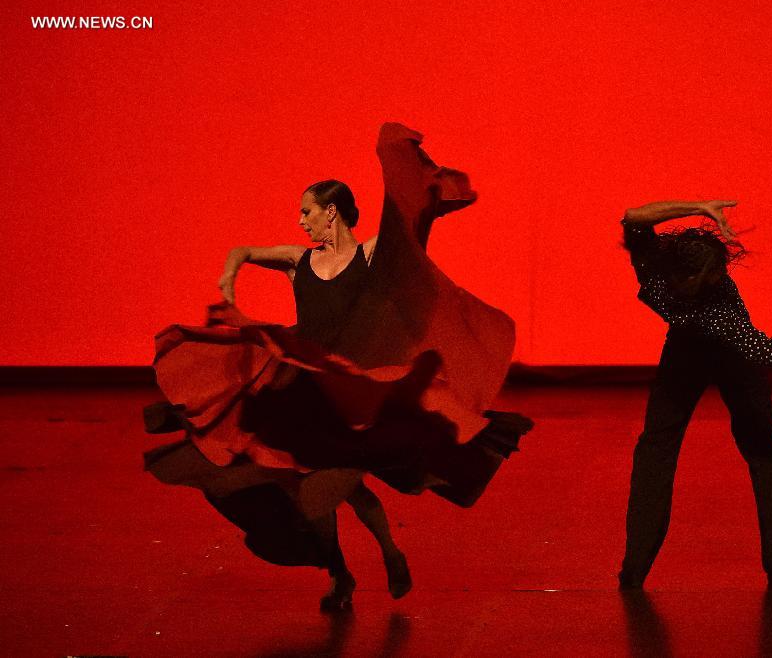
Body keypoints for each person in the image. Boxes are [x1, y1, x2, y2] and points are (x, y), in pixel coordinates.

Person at [143, 124, 533, 611]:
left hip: (349, 389)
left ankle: (385, 553)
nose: (300, 222)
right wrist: (228, 276)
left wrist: (415, 184)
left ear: (330, 212)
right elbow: (243, 250)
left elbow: (404, 241)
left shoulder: (368, 254)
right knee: (314, 485)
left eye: (306, 212)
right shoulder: (298, 261)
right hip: (306, 386)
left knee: (344, 481)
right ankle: (343, 574)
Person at [618, 200, 772, 590]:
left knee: (761, 447)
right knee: (656, 447)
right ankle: (633, 570)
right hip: (687, 346)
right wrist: (697, 206)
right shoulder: (661, 271)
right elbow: (633, 217)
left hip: (729, 355)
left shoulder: (716, 311)